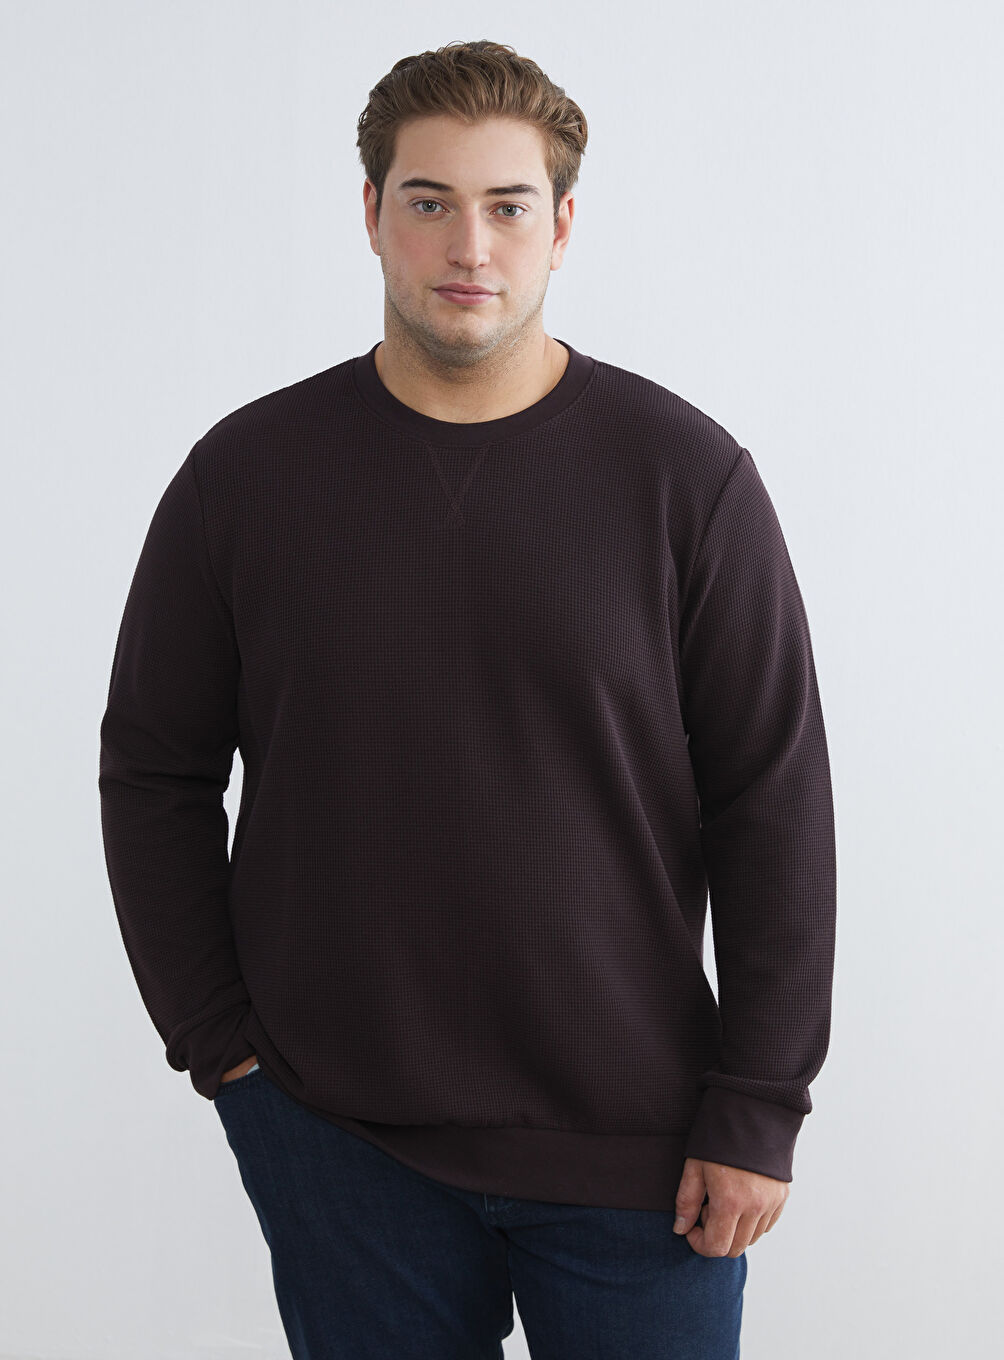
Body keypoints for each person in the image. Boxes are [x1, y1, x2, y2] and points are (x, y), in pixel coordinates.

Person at [98, 37, 836, 1360]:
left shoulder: (684, 480)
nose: (469, 246)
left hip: (643, 1147)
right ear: (372, 213)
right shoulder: (246, 480)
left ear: (563, 225)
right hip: (340, 1138)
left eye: (507, 205)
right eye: (430, 201)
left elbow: (772, 800)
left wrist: (760, 1101)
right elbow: (155, 769)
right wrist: (222, 1047)